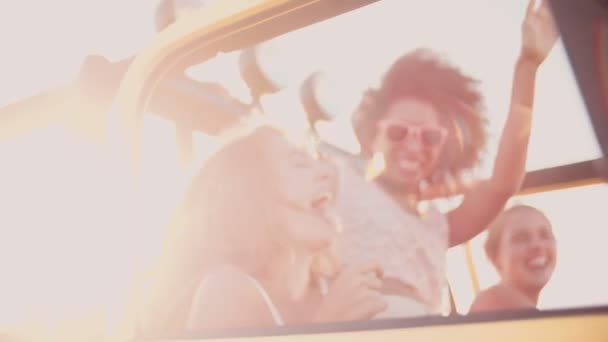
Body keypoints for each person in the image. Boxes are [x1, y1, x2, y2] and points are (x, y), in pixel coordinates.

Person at [332, 0, 559, 318]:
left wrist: (528, 67)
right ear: (372, 134)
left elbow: (502, 185)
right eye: (399, 132)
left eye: (430, 136)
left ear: (445, 149)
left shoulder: (438, 225)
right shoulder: (338, 181)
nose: (414, 144)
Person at [138, 124, 386, 336]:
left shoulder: (337, 287)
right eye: (300, 165)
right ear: (249, 195)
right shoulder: (228, 292)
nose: (327, 173)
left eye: (318, 164)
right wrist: (329, 325)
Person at [469, 205, 556, 313]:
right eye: (521, 238)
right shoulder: (494, 300)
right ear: (495, 256)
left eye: (545, 235)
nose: (537, 245)